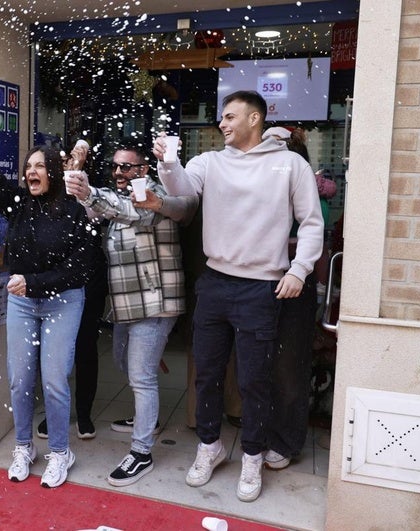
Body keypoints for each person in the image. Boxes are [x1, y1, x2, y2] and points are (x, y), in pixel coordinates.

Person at [154, 90, 324, 502]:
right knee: (207, 374)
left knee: (254, 380)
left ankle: (251, 455)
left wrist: (299, 270)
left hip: (262, 287)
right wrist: (168, 162)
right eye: (221, 118)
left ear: (254, 119)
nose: (222, 124)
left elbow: (312, 223)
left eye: (230, 117)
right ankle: (209, 446)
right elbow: (182, 192)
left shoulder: (290, 165)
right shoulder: (210, 161)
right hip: (214, 282)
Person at [0, 102, 97, 488]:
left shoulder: (74, 211)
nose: (33, 172)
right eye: (29, 166)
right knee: (19, 379)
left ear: (54, 173)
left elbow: (80, 271)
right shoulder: (18, 204)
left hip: (64, 301)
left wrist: (33, 283)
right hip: (22, 304)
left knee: (54, 380)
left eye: (40, 167)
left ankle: (61, 452)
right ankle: (24, 446)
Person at [65, 136, 197, 487]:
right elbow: (92, 209)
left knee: (141, 376)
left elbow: (130, 211)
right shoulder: (117, 196)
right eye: (115, 166)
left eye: (127, 166)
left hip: (156, 301)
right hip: (127, 304)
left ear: (143, 168)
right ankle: (148, 420)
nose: (120, 172)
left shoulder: (152, 195)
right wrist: (76, 185)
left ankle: (141, 452)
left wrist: (89, 192)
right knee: (124, 361)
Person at [260, 126, 335, 470]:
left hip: (294, 281)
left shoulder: (309, 192)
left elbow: (315, 237)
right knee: (257, 363)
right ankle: (260, 432)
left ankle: (286, 440)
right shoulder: (256, 185)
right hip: (255, 281)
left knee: (288, 365)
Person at [37, 140, 108, 440]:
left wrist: (81, 191)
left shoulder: (91, 193)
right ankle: (55, 414)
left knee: (85, 347)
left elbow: (97, 220)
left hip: (89, 278)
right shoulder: (44, 197)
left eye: (75, 161)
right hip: (55, 282)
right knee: (56, 351)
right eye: (64, 162)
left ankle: (85, 414)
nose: (70, 166)